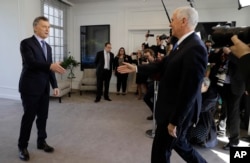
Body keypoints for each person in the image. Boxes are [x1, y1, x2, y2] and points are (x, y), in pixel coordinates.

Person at [118, 6, 207, 163]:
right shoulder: (182, 45)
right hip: (169, 110)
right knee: (180, 146)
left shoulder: (195, 48)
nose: (170, 24)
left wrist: (175, 121)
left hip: (176, 113)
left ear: (184, 21)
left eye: (172, 20)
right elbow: (162, 64)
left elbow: (189, 91)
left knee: (160, 153)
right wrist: (137, 68)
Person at [18, 16, 65, 161]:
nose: (47, 29)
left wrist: (55, 86)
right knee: (29, 118)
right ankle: (22, 146)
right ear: (35, 27)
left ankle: (41, 141)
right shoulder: (26, 43)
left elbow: (50, 69)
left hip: (44, 88)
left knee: (43, 117)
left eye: (49, 27)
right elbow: (31, 63)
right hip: (30, 87)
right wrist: (50, 66)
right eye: (44, 26)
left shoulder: (48, 47)